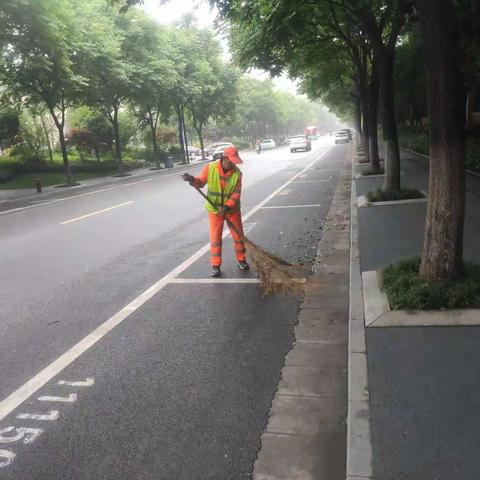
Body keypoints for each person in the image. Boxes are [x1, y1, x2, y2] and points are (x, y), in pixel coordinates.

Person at [182, 145, 249, 277]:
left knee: (238, 236)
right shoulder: (210, 168)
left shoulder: (237, 174)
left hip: (231, 209)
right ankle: (216, 265)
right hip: (214, 210)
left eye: (235, 161)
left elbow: (236, 194)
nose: (234, 164)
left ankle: (241, 260)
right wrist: (192, 180)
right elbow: (200, 182)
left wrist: (227, 207)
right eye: (231, 160)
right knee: (215, 237)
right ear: (224, 158)